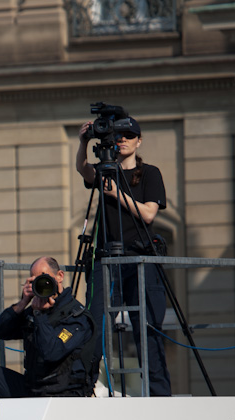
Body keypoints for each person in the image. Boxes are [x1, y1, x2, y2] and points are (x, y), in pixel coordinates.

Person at [76, 115, 172, 396]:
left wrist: (117, 194)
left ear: (139, 141)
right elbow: (84, 170)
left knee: (148, 329)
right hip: (107, 259)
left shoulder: (150, 173)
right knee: (95, 325)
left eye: (129, 136)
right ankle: (85, 388)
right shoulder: (106, 171)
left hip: (140, 259)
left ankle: (158, 395)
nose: (123, 140)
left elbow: (149, 214)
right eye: (118, 136)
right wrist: (83, 143)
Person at [0, 257, 96, 398]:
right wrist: (23, 302)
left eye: (45, 278)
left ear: (60, 276)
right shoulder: (35, 311)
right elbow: (1, 331)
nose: (42, 284)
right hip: (32, 389)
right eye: (35, 281)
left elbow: (51, 352)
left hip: (63, 394)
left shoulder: (77, 317)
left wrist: (40, 315)